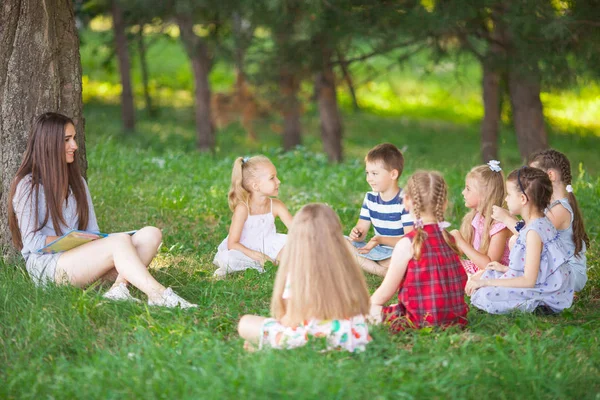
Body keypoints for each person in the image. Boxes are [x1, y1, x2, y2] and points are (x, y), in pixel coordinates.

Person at [8, 112, 196, 308]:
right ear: (49, 143)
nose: (75, 146)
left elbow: (92, 230)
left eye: (74, 138)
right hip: (48, 268)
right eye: (67, 140)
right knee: (119, 242)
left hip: (81, 263)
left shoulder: (77, 182)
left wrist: (89, 239)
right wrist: (73, 240)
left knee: (151, 234)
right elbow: (30, 242)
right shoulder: (27, 185)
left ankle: (119, 288)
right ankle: (158, 294)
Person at [238, 204, 371, 352]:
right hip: (350, 336)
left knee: (246, 323)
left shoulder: (299, 274)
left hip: (313, 339)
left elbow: (291, 320)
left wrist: (275, 330)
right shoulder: (345, 266)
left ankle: (264, 345)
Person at [468, 167, 574, 314]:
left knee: (484, 293)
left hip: (546, 290)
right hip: (546, 281)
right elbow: (541, 266)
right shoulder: (539, 222)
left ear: (523, 199)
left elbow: (528, 281)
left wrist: (485, 283)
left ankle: (537, 306)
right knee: (489, 274)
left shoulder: (533, 232)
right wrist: (505, 269)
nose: (506, 199)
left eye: (509, 195)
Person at [370, 171, 468, 331]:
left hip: (419, 322)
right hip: (455, 320)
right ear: (443, 204)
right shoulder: (450, 239)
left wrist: (369, 305)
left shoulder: (408, 243)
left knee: (367, 310)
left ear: (407, 201)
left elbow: (384, 293)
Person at [493, 150, 589, 292]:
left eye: (535, 174)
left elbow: (530, 235)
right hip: (556, 267)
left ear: (550, 175)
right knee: (514, 240)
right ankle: (521, 278)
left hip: (568, 273)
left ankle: (528, 283)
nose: (530, 180)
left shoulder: (559, 210)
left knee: (516, 239)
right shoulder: (551, 206)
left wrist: (507, 219)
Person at [213, 155, 293, 277]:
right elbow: (232, 243)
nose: (278, 181)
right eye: (272, 178)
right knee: (230, 259)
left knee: (295, 246)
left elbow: (296, 230)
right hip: (245, 249)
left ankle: (276, 262)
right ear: (256, 186)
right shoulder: (243, 209)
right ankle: (272, 263)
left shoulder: (276, 205)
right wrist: (257, 255)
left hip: (271, 245)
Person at [348, 143, 413, 277]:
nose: (369, 178)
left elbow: (409, 240)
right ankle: (381, 271)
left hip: (398, 251)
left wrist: (381, 240)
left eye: (374, 173)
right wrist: (357, 233)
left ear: (393, 174)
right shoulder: (370, 198)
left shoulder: (405, 201)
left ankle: (377, 266)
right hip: (377, 249)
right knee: (341, 242)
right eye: (367, 173)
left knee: (409, 256)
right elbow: (362, 228)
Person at [450, 161, 511, 275]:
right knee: (447, 266)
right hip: (480, 269)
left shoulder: (500, 225)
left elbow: (489, 266)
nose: (463, 192)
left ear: (484, 195)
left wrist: (460, 241)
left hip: (498, 274)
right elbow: (457, 252)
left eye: (468, 189)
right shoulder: (475, 217)